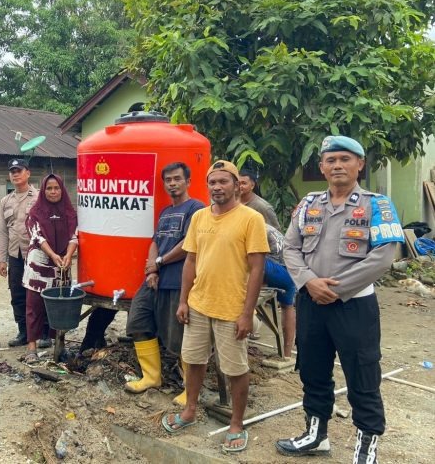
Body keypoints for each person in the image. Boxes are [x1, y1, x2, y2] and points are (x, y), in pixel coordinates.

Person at [275, 136, 404, 463]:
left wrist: (335, 288)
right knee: (313, 372)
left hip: (354, 306)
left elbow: (384, 256)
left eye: (345, 159)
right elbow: (289, 248)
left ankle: (366, 447)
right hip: (311, 304)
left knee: (363, 375)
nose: (337, 166)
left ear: (360, 164)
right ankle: (315, 436)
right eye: (330, 160)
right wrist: (309, 282)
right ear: (321, 167)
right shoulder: (309, 204)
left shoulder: (378, 205)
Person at [161, 160, 268, 454]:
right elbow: (191, 261)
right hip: (198, 304)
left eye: (224, 181)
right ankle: (190, 411)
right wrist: (184, 300)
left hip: (232, 307)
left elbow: (257, 269)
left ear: (236, 185)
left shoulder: (250, 219)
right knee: (193, 360)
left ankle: (236, 423)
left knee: (235, 368)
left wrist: (247, 313)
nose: (217, 187)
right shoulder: (199, 218)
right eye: (213, 182)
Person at [124, 163, 204, 408]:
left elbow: (189, 245)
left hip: (179, 280)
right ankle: (151, 376)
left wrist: (158, 263)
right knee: (137, 320)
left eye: (177, 178)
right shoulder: (165, 212)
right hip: (156, 279)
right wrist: (151, 268)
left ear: (188, 181)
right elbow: (155, 241)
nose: (172, 183)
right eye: (168, 180)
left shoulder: (197, 209)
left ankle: (191, 389)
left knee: (179, 335)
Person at [21, 174, 78, 363]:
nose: (53, 192)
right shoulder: (36, 212)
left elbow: (74, 236)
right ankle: (31, 348)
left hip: (62, 264)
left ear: (62, 190)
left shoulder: (70, 212)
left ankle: (59, 347)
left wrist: (68, 255)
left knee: (60, 306)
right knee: (34, 306)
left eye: (57, 188)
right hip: (39, 264)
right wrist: (53, 255)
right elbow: (37, 237)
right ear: (43, 191)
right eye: (49, 188)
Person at [0, 159, 40, 347]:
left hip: (36, 254)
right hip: (15, 255)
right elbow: (2, 231)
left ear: (28, 173)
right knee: (17, 295)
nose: (15, 174)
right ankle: (23, 332)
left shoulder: (39, 198)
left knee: (38, 292)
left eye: (19, 171)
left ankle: (43, 332)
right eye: (12, 171)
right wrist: (1, 259)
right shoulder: (6, 201)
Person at [255, 224, 297, 358]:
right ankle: (287, 354)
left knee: (250, 257)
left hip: (278, 269)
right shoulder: (263, 224)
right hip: (291, 272)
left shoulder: (251, 224)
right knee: (287, 306)